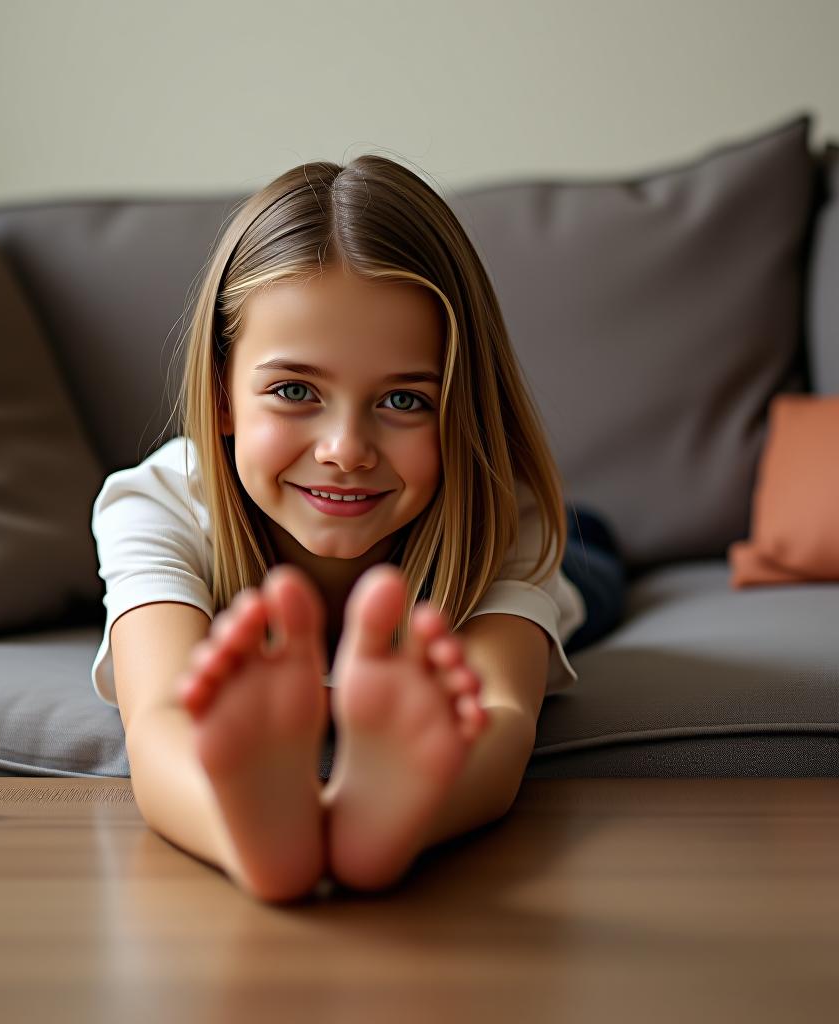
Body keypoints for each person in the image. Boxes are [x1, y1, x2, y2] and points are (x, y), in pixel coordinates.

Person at [90, 155, 627, 905]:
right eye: (295, 391)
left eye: (405, 401)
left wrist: (392, 822)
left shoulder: (507, 514)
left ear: (459, 409)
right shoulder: (160, 501)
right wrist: (251, 834)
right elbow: (159, 724)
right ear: (220, 398)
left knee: (593, 554)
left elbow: (502, 718)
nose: (345, 449)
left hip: (571, 549)